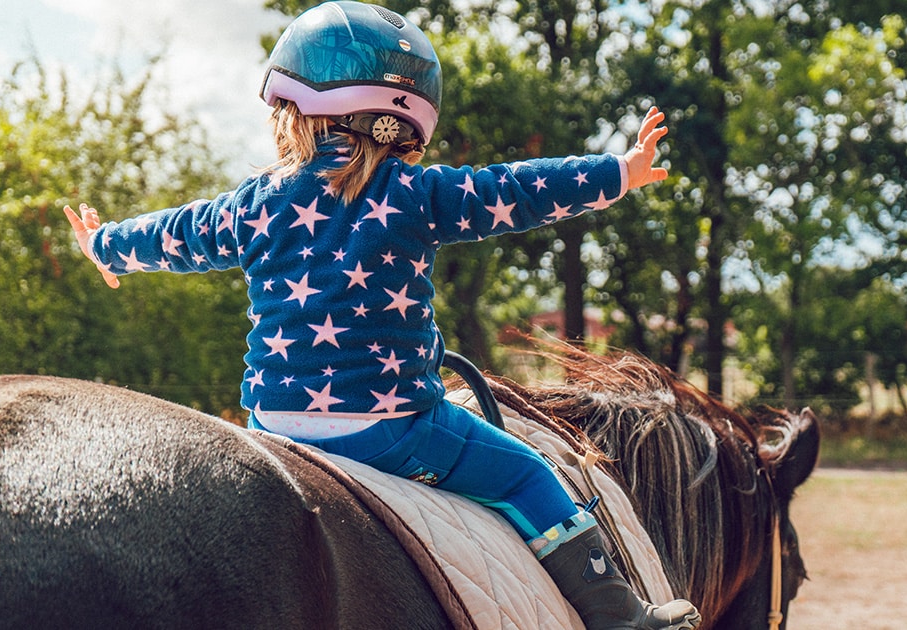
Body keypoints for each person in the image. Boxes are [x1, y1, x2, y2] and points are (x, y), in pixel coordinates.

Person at [65, 2, 698, 628]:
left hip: (271, 426)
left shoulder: (253, 206)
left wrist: (105, 244)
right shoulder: (419, 195)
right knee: (526, 475)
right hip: (390, 428)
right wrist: (619, 172)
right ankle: (621, 618)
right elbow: (518, 189)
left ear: (295, 114)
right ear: (405, 124)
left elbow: (178, 233)